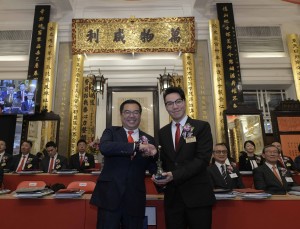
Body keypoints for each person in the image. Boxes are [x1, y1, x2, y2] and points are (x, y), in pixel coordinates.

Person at [151, 87, 215, 229]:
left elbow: (202, 159)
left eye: (178, 101)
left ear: (185, 102)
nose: (174, 106)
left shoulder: (201, 127)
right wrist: (158, 177)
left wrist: (174, 175)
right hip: (173, 199)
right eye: (169, 103)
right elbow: (163, 161)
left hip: (198, 197)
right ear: (166, 107)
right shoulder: (162, 132)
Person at [90, 99, 157, 229]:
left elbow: (153, 167)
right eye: (127, 112)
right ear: (121, 115)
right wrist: (136, 146)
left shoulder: (149, 139)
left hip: (135, 199)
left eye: (135, 112)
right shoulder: (111, 132)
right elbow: (105, 147)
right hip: (110, 197)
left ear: (140, 115)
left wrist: (161, 176)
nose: (131, 116)